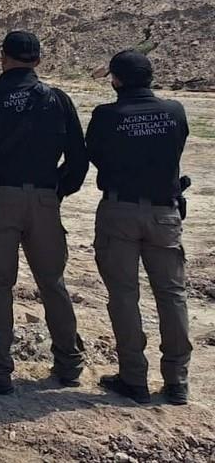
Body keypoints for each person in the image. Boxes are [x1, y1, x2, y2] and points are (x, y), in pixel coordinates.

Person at [0, 30, 89, 395]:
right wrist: (59, 189)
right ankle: (69, 363)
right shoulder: (58, 99)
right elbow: (79, 157)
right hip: (45, 198)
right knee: (53, 282)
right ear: (39, 61)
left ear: (3, 57)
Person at [86, 50, 191, 405]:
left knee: (124, 295)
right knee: (172, 295)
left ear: (116, 80)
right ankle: (177, 380)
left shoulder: (105, 115)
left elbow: (95, 155)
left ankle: (134, 377)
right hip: (165, 214)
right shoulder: (174, 111)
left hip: (120, 210)